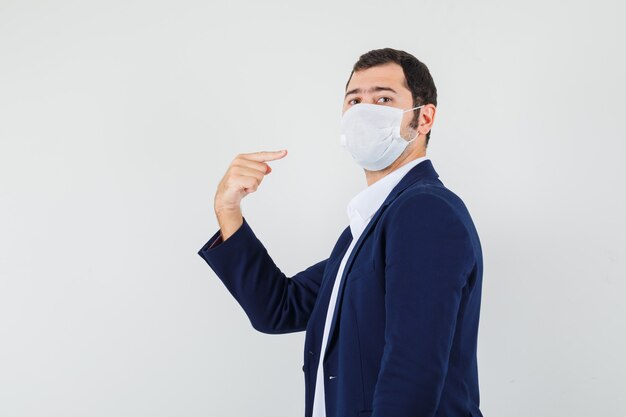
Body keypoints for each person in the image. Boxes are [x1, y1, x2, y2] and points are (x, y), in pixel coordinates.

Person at [197, 47, 484, 417]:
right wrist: (228, 210)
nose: (364, 111)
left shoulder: (424, 210)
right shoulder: (366, 230)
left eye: (383, 98)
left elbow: (413, 369)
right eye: (354, 100)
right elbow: (279, 309)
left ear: (423, 118)